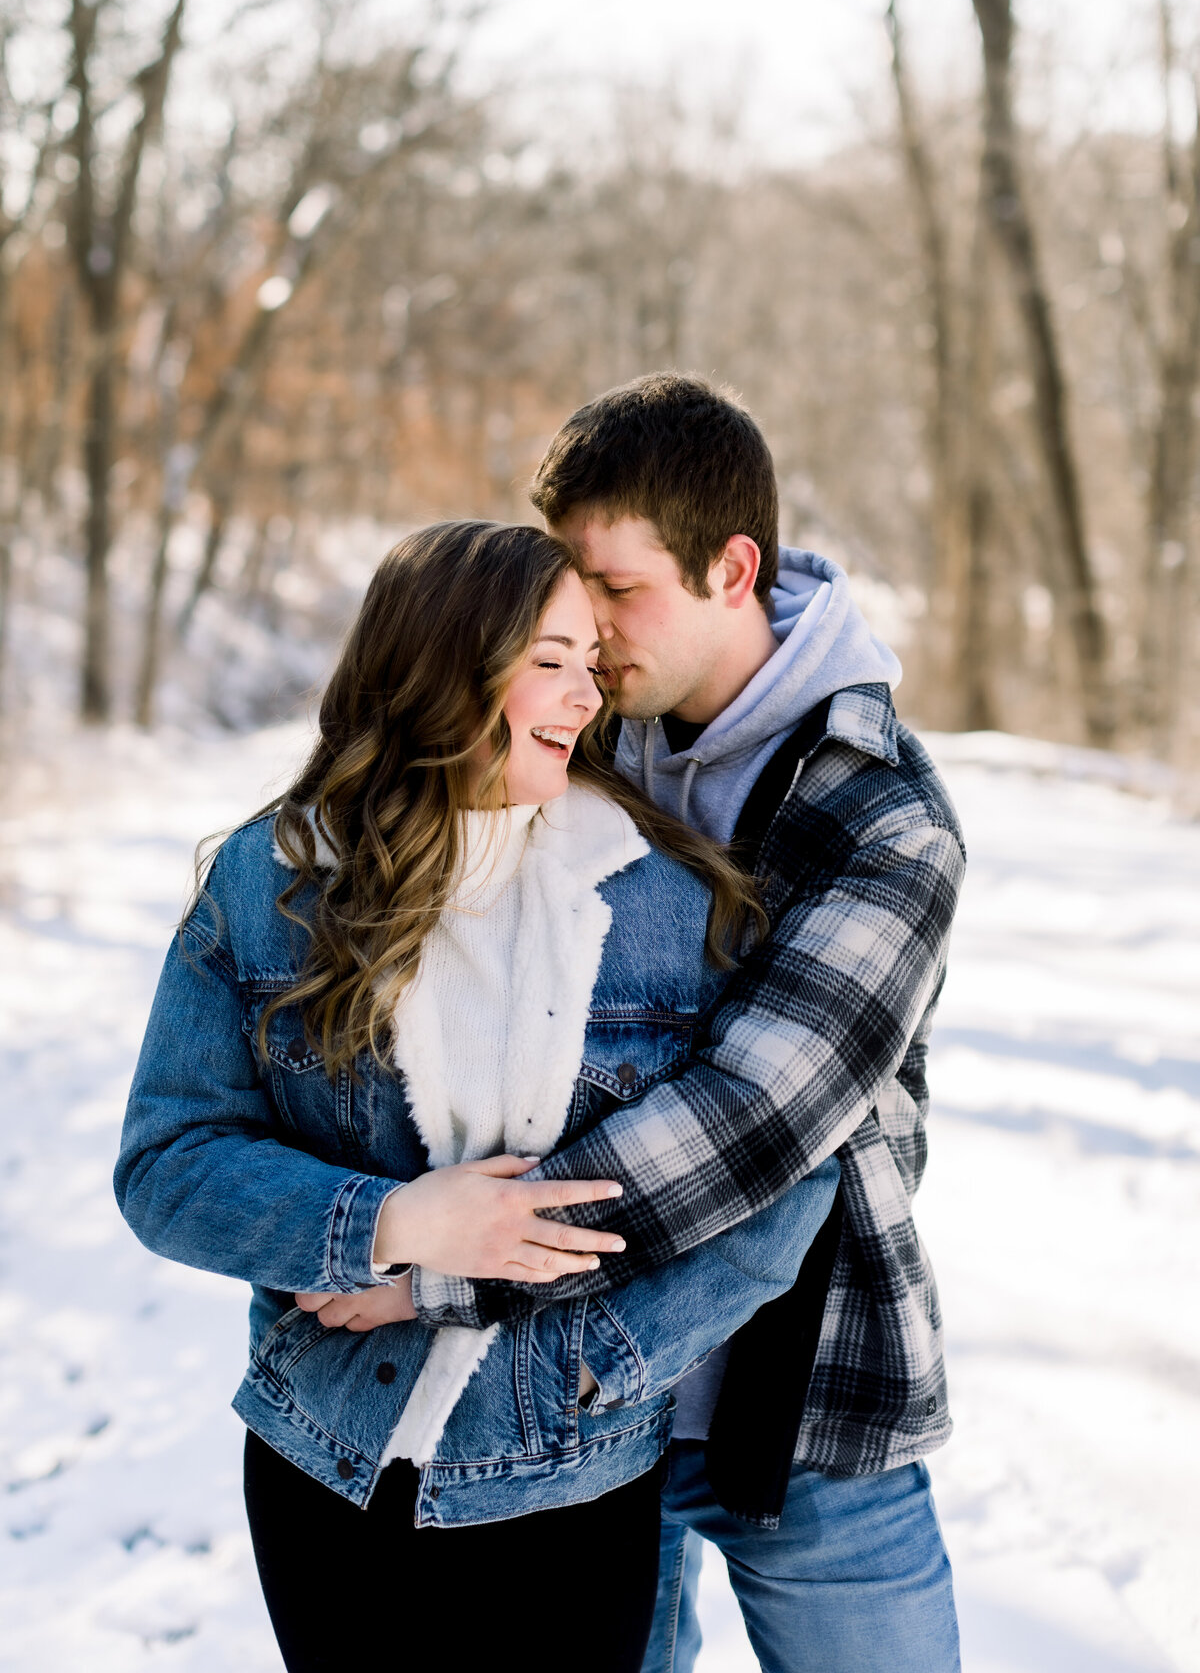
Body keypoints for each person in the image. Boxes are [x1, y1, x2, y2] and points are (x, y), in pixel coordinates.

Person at [114, 520, 839, 1673]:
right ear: (442, 665)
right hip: (325, 1464)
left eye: (591, 664)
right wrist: (394, 1225)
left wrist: (586, 1361)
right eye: (549, 661)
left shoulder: (674, 905)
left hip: (574, 1483)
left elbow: (786, 1186)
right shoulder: (275, 880)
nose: (584, 696)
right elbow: (168, 1165)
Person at [402, 376, 967, 1673]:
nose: (585, 634)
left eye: (618, 589)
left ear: (735, 568)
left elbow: (754, 1119)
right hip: (589, 1400)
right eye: (569, 587)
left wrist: (445, 1262)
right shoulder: (580, 736)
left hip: (807, 1403)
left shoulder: (882, 819)